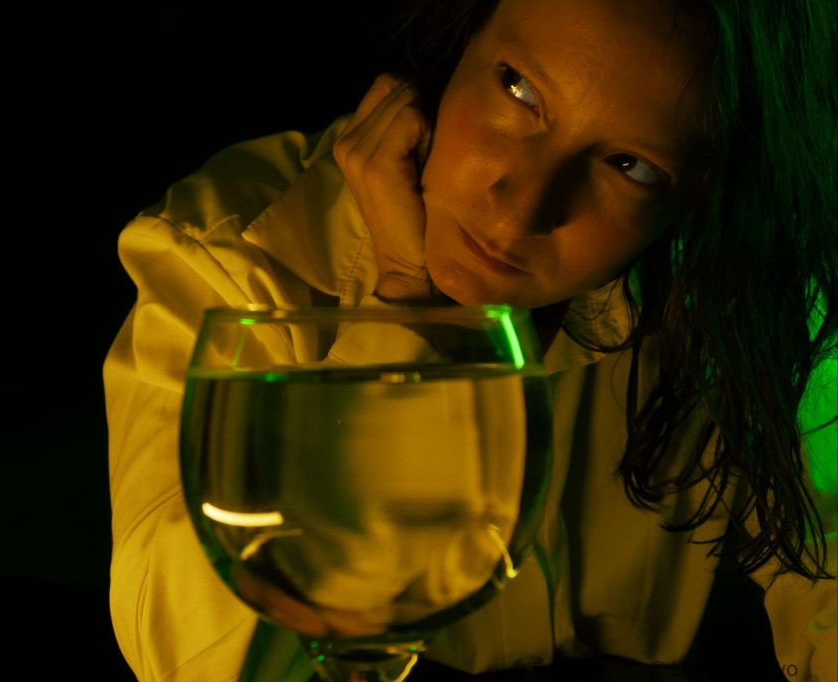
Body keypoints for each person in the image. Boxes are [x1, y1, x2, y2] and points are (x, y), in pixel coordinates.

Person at [103, 0, 838, 680]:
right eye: (519, 90)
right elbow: (193, 663)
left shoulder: (744, 294)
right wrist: (407, 311)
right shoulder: (234, 257)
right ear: (456, 51)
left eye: (630, 166)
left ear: (701, 190)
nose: (519, 212)